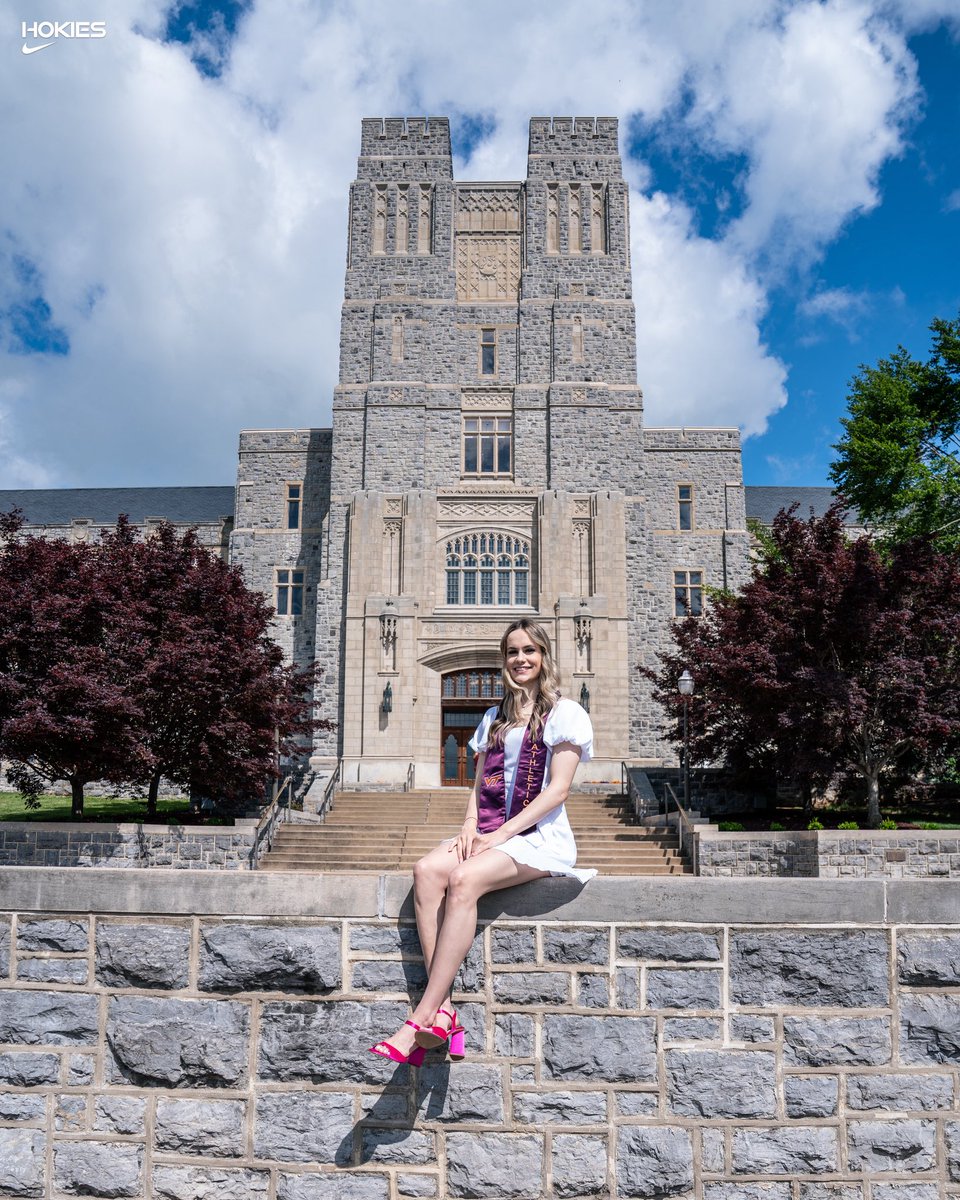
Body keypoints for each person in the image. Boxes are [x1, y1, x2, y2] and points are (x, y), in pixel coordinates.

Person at [370, 618, 595, 1066]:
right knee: (427, 870)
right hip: (491, 828)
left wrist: (502, 835)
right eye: (513, 651)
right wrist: (472, 826)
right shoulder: (494, 718)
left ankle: (421, 1017)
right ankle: (446, 1013)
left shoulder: (566, 713)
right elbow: (477, 787)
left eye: (530, 650)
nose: (521, 659)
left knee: (464, 879)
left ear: (544, 656)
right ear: (504, 659)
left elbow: (558, 790)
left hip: (536, 837)